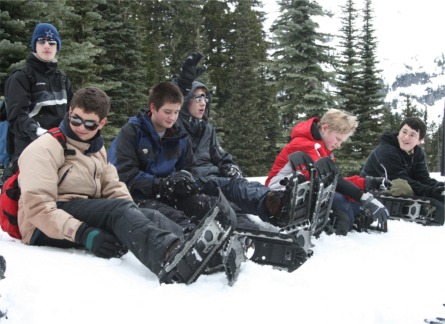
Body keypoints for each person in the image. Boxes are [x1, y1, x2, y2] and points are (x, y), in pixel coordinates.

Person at [17, 86, 236, 285]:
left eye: (90, 123)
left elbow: (114, 187)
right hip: (42, 225)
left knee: (147, 214)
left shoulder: (94, 149)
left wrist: (135, 216)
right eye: (76, 120)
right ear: (70, 112)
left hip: (80, 213)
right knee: (119, 211)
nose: (81, 127)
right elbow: (37, 208)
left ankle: (200, 251)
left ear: (102, 123)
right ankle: (170, 256)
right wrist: (85, 234)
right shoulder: (45, 148)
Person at [265, 108, 391, 235]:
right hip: (278, 196)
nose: (339, 145)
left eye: (342, 141)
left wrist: (367, 183)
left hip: (301, 194)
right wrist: (364, 198)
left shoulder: (321, 149)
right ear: (324, 128)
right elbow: (328, 179)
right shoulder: (305, 144)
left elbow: (332, 181)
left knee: (351, 205)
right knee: (340, 202)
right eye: (338, 139)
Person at [3, 22, 73, 179]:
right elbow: (16, 119)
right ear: (35, 45)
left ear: (57, 47)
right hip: (29, 149)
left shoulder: (62, 79)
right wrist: (40, 132)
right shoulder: (21, 77)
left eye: (52, 42)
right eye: (41, 41)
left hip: (60, 149)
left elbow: (72, 114)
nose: (47, 45)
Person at [360, 116, 444, 225]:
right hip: (370, 194)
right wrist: (431, 192)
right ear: (399, 131)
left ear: (420, 140)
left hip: (396, 191)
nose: (406, 137)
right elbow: (401, 180)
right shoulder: (386, 151)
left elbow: (423, 178)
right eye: (404, 132)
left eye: (412, 135)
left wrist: (439, 188)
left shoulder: (417, 153)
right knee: (401, 186)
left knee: (423, 190)